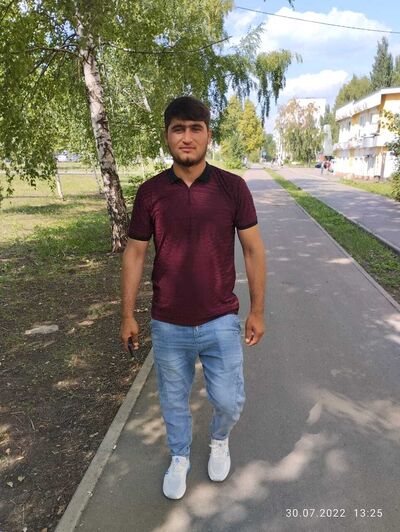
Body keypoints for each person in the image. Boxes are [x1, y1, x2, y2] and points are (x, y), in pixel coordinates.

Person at [120, 96, 266, 500]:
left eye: (195, 128)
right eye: (178, 129)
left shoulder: (232, 188)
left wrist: (257, 310)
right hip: (168, 323)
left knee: (229, 400)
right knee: (173, 401)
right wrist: (127, 315)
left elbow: (253, 250)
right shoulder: (150, 192)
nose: (187, 137)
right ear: (167, 136)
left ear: (208, 135)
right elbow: (135, 253)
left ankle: (220, 439)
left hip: (221, 319)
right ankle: (180, 456)